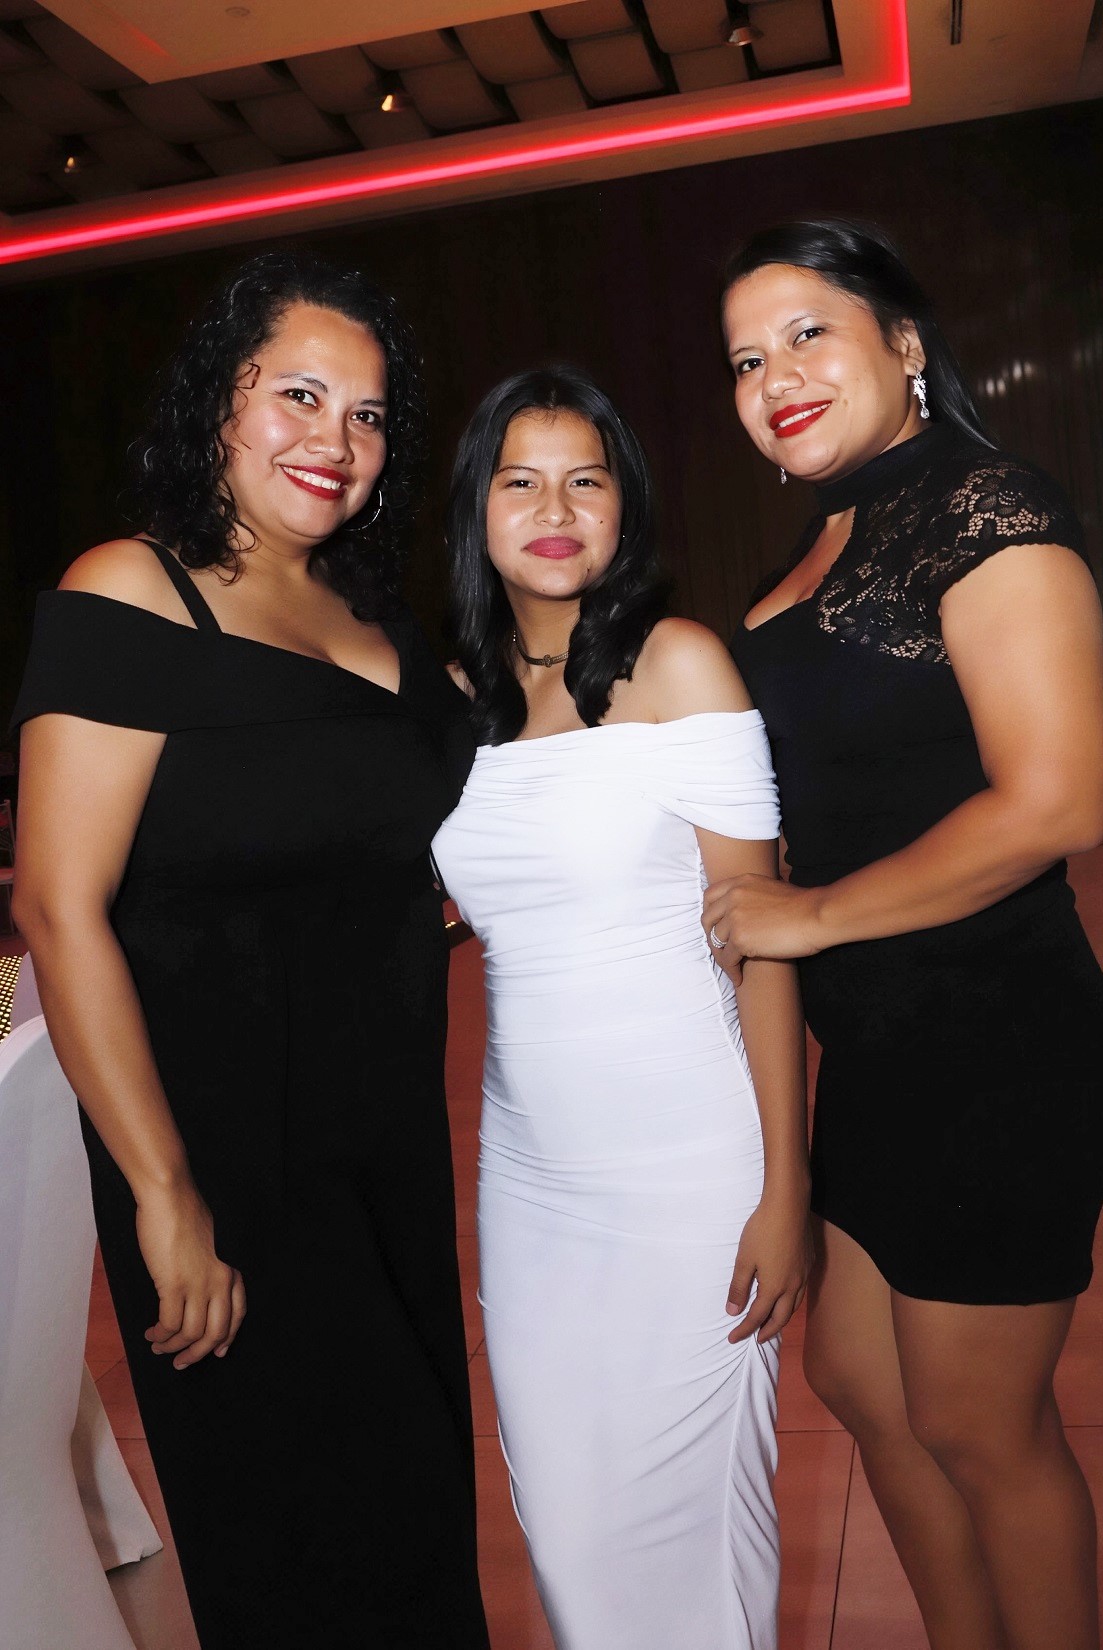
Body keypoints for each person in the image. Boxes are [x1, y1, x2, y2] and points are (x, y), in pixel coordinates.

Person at [11, 251, 490, 1650]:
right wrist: (163, 1192)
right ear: (219, 402)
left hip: (383, 1151)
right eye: (298, 395)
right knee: (296, 1548)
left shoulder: (370, 610)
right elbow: (60, 908)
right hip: (220, 1162)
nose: (334, 438)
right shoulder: (133, 590)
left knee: (413, 1519)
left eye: (368, 413)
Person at [710, 218, 1103, 1650]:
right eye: (744, 361)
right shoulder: (828, 530)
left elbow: (1060, 798)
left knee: (977, 1422)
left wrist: (808, 914)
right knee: (862, 1384)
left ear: (901, 342)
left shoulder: (983, 504)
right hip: (878, 1052)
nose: (774, 377)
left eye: (806, 335)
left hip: (993, 1037)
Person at [430, 366, 810, 1650]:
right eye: (519, 481)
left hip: (688, 1173)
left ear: (624, 508)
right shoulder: (454, 700)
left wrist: (785, 1186)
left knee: (687, 1541)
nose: (554, 509)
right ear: (476, 509)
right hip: (530, 1181)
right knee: (569, 1536)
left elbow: (761, 942)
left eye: (584, 480)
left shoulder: (679, 664)